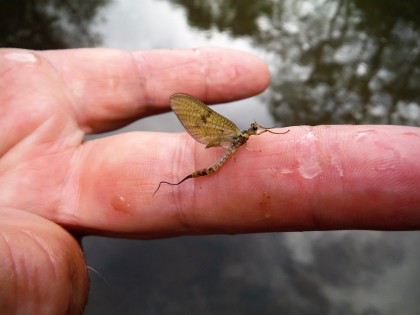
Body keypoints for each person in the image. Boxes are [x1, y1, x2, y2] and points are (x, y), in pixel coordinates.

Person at [0, 47, 419, 313]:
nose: (256, 131)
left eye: (256, 130)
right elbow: (243, 135)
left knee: (209, 170)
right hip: (218, 155)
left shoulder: (241, 136)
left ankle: (184, 180)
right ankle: (184, 180)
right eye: (255, 130)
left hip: (221, 149)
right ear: (251, 131)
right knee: (206, 173)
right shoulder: (238, 135)